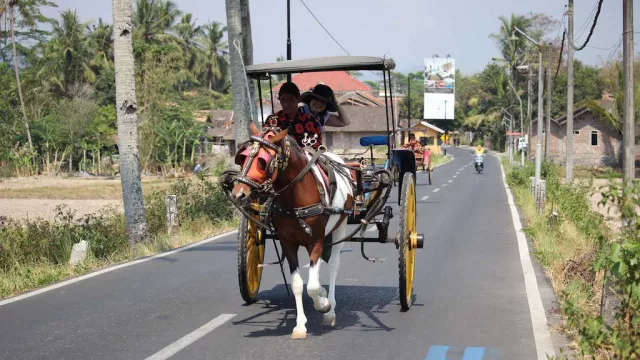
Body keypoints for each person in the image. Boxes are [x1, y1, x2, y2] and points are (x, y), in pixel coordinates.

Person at [264, 82, 323, 149]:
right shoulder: (272, 121)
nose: (286, 104)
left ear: (298, 99)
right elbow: (265, 144)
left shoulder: (312, 122)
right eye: (282, 100)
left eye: (291, 100)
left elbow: (318, 150)